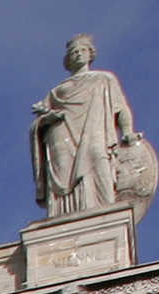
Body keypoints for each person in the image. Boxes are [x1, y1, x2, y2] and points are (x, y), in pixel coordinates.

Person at [31, 33, 140, 218]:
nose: (79, 54)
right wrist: (46, 119)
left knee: (98, 158)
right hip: (61, 133)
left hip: (94, 130)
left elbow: (120, 108)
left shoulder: (103, 79)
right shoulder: (58, 90)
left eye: (83, 50)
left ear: (91, 54)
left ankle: (105, 211)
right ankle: (61, 217)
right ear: (68, 60)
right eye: (74, 52)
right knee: (63, 170)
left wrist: (128, 132)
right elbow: (40, 118)